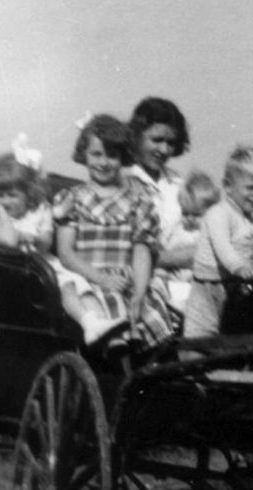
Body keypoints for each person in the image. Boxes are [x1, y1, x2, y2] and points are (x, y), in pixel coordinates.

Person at [54, 114, 177, 348]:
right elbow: (66, 252)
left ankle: (140, 358)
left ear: (123, 157)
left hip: (127, 278)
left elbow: (141, 250)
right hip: (89, 277)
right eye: (96, 154)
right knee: (97, 305)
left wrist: (140, 291)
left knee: (143, 309)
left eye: (112, 155)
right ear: (84, 155)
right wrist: (100, 278)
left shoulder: (138, 200)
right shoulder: (72, 199)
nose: (104, 162)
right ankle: (115, 350)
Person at [0, 149, 123, 345]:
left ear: (28, 194)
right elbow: (8, 242)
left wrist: (34, 238)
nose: (4, 201)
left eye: (12, 195)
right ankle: (88, 323)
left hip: (46, 261)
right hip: (18, 270)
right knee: (67, 287)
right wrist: (3, 215)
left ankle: (106, 332)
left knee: (82, 286)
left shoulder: (39, 209)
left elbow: (45, 241)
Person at [184, 146, 253, 339]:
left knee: (234, 329)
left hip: (235, 286)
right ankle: (193, 361)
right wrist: (238, 266)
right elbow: (222, 246)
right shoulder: (218, 213)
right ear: (228, 186)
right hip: (207, 285)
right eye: (251, 187)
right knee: (200, 331)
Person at [126, 97, 193, 298]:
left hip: (185, 275)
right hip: (143, 279)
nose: (164, 150)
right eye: (157, 140)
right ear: (137, 136)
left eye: (170, 143)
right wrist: (179, 257)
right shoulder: (122, 180)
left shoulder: (177, 183)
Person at [155, 171, 220, 310]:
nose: (189, 218)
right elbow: (161, 248)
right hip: (172, 280)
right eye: (185, 213)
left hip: (195, 282)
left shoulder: (211, 231)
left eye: (196, 215)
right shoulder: (175, 229)